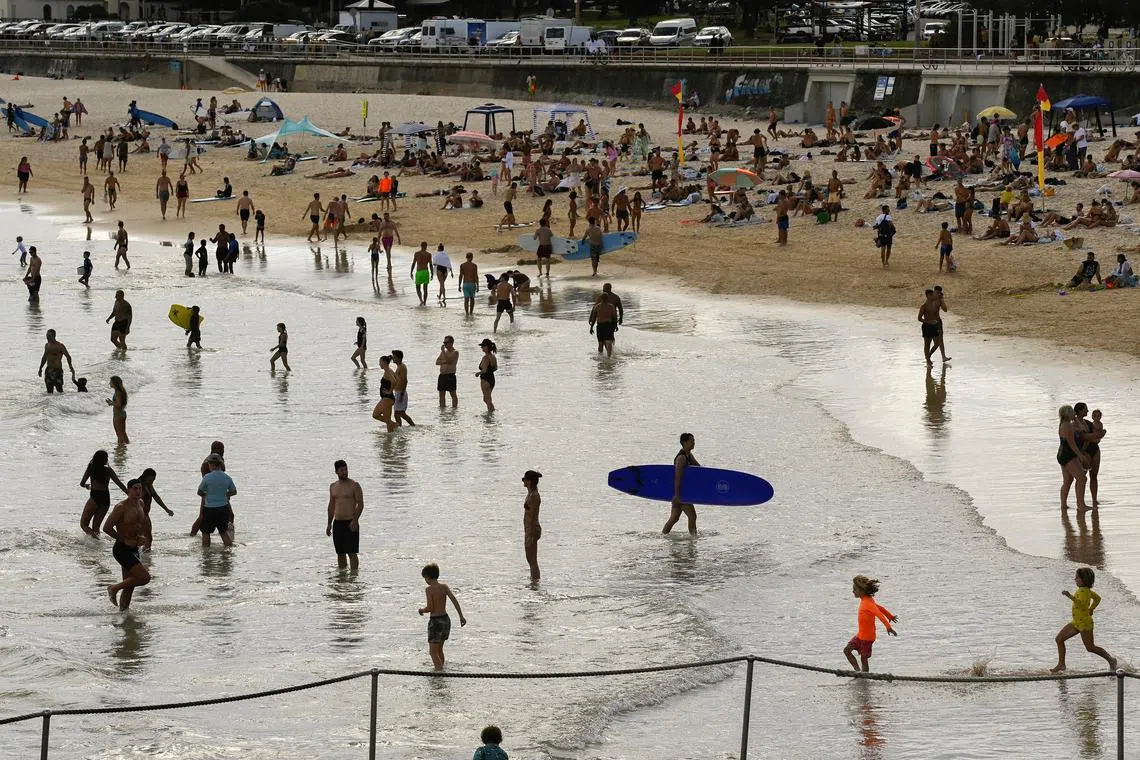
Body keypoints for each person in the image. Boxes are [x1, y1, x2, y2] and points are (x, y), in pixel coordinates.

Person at [1051, 567, 1115, 672]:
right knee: (1059, 639)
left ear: (1083, 580)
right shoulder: (1085, 590)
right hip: (1076, 622)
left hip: (1084, 624)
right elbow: (1098, 598)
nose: (1075, 579)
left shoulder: (1084, 591)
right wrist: (1092, 608)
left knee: (1090, 647)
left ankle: (1111, 660)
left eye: (1076, 578)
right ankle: (1061, 664)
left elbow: (1082, 604)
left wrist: (1070, 596)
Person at [103, 479, 152, 610]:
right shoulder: (121, 507)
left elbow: (139, 524)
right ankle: (113, 588)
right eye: (135, 488)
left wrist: (141, 536)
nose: (138, 491)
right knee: (144, 578)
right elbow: (107, 527)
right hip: (121, 549)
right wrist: (123, 539)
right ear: (128, 490)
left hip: (134, 547)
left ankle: (124, 615)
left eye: (140, 488)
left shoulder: (140, 503)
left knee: (129, 586)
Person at [417, 562, 467, 670]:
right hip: (445, 620)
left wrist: (421, 610)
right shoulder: (444, 587)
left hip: (435, 622)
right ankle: (441, 669)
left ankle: (439, 675)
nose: (425, 581)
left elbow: (430, 608)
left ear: (428, 577)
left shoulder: (429, 590)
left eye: (425, 578)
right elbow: (454, 601)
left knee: (432, 652)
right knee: (439, 650)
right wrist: (461, 616)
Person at [844, 575, 898, 672]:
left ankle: (865, 677)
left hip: (867, 638)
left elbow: (878, 613)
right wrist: (890, 616)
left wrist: (888, 627)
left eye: (855, 589)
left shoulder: (867, 603)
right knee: (847, 650)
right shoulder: (867, 601)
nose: (853, 591)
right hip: (860, 636)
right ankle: (857, 671)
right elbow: (881, 608)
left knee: (864, 659)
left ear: (862, 591)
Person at [80, 449, 128, 537]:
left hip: (95, 496)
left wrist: (87, 486)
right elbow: (119, 484)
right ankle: (97, 545)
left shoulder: (91, 467)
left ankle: (94, 542)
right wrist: (129, 494)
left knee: (84, 524)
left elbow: (82, 483)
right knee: (96, 528)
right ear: (105, 459)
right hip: (106, 498)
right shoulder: (108, 470)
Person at [326, 459, 364, 570]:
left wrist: (355, 520)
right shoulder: (333, 486)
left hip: (351, 522)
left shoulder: (354, 485)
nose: (345, 472)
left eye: (346, 469)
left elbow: (360, 504)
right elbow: (331, 506)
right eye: (342, 470)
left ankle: (354, 576)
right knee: (340, 553)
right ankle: (342, 578)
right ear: (336, 472)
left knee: (352, 553)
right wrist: (329, 524)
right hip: (338, 523)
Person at [663, 433, 699, 535]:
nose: (693, 442)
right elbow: (677, 477)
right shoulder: (681, 458)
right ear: (684, 442)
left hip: (678, 493)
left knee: (674, 518)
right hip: (680, 493)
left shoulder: (689, 456)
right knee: (692, 516)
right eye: (691, 440)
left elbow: (699, 469)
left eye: (694, 440)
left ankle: (663, 536)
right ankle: (693, 540)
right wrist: (677, 495)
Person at [197, 453, 236, 547]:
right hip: (223, 508)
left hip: (209, 509)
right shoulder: (227, 477)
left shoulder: (207, 477)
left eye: (209, 464)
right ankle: (228, 553)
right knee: (223, 532)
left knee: (206, 533)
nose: (209, 466)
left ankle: (206, 555)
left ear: (213, 465)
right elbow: (234, 491)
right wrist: (225, 495)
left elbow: (199, 492)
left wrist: (207, 495)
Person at [1057, 404, 1090, 512]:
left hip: (1063, 454)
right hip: (1068, 455)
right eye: (1072, 412)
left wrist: (1076, 420)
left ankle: (1063, 505)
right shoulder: (1067, 426)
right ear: (1068, 413)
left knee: (1068, 480)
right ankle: (1081, 504)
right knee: (1082, 478)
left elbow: (1081, 429)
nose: (1074, 413)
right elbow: (1071, 443)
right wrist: (1080, 455)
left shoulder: (1065, 424)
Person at [1074, 402, 1103, 509]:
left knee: (1094, 475)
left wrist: (1096, 436)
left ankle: (1094, 499)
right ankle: (1080, 502)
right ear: (1080, 411)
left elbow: (1097, 437)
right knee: (1082, 477)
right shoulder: (1075, 423)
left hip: (1094, 448)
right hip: (1084, 451)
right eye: (1085, 409)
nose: (1087, 411)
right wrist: (1095, 436)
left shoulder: (1090, 423)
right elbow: (1084, 437)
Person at [138, 467, 174, 551]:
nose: (153, 481)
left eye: (154, 480)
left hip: (146, 514)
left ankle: (141, 557)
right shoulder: (139, 485)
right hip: (140, 515)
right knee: (148, 538)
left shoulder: (148, 484)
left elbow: (156, 496)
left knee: (141, 537)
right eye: (152, 479)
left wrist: (166, 509)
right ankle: (147, 559)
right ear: (147, 476)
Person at [918, 289, 950, 365]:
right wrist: (929, 322)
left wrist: (938, 326)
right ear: (927, 296)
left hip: (935, 326)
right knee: (927, 344)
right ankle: (928, 360)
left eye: (932, 295)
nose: (932, 296)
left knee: (937, 343)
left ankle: (928, 357)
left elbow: (938, 315)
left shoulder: (935, 305)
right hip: (926, 326)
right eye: (931, 295)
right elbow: (919, 318)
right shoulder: (923, 306)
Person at [38, 329, 75, 393]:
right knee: (49, 392)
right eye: (46, 335)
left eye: (48, 336)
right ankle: (52, 403)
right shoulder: (47, 345)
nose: (47, 337)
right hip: (48, 370)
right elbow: (44, 357)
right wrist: (40, 368)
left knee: (59, 391)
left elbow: (68, 356)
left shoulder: (60, 346)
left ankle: (60, 403)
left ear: (53, 336)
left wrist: (70, 366)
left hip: (57, 370)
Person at [522, 470, 542, 582]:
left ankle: (536, 582)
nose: (523, 482)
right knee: (530, 559)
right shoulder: (530, 494)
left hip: (532, 530)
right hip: (528, 529)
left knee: (533, 560)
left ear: (529, 482)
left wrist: (532, 534)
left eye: (524, 479)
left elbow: (533, 516)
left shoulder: (534, 496)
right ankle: (533, 580)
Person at [371, 355, 398, 432]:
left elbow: (394, 381)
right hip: (386, 398)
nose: (379, 364)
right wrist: (392, 390)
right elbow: (398, 379)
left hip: (387, 398)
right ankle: (393, 427)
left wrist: (390, 391)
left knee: (383, 418)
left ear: (384, 362)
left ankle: (389, 439)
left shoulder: (388, 372)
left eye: (380, 362)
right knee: (378, 416)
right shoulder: (390, 370)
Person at [391, 349, 415, 427]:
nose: (393, 359)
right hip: (398, 392)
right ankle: (404, 426)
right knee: (399, 413)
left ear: (398, 358)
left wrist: (401, 393)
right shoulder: (399, 366)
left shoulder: (402, 367)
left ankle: (409, 426)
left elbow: (405, 380)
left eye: (394, 357)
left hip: (401, 392)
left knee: (399, 413)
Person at [436, 335, 458, 408]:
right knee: (441, 394)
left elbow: (449, 360)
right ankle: (442, 410)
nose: (444, 344)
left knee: (453, 394)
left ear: (451, 343)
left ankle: (454, 409)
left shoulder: (455, 352)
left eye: (446, 343)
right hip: (442, 375)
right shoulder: (444, 352)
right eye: (444, 343)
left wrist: (443, 352)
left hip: (450, 375)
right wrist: (444, 361)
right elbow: (437, 362)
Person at [107, 375, 129, 445]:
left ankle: (120, 450)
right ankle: (127, 446)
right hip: (122, 413)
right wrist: (112, 402)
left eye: (111, 382)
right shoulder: (121, 391)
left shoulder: (118, 392)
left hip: (118, 414)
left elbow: (118, 404)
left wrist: (111, 403)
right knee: (123, 433)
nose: (109, 383)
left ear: (114, 383)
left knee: (119, 434)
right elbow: (119, 403)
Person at [477, 338, 497, 412]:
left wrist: (478, 373)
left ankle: (490, 415)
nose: (482, 348)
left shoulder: (485, 358)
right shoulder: (493, 357)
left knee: (487, 399)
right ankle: (492, 412)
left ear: (487, 347)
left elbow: (484, 370)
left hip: (485, 379)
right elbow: (495, 368)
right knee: (488, 398)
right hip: (492, 379)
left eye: (483, 346)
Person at [411, 242, 432, 306]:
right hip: (425, 272)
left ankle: (421, 300)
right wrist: (432, 273)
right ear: (426, 246)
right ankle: (425, 302)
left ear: (421, 246)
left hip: (419, 272)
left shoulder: (417, 254)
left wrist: (411, 272)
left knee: (418, 288)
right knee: (425, 289)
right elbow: (430, 265)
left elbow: (414, 263)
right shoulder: (428, 254)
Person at [459, 253, 479, 317]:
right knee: (472, 299)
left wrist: (459, 285)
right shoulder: (474, 266)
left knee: (466, 299)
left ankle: (467, 314)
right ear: (472, 257)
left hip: (465, 284)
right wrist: (478, 285)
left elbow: (460, 276)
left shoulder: (462, 265)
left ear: (466, 257)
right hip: (472, 284)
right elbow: (476, 276)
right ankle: (471, 313)